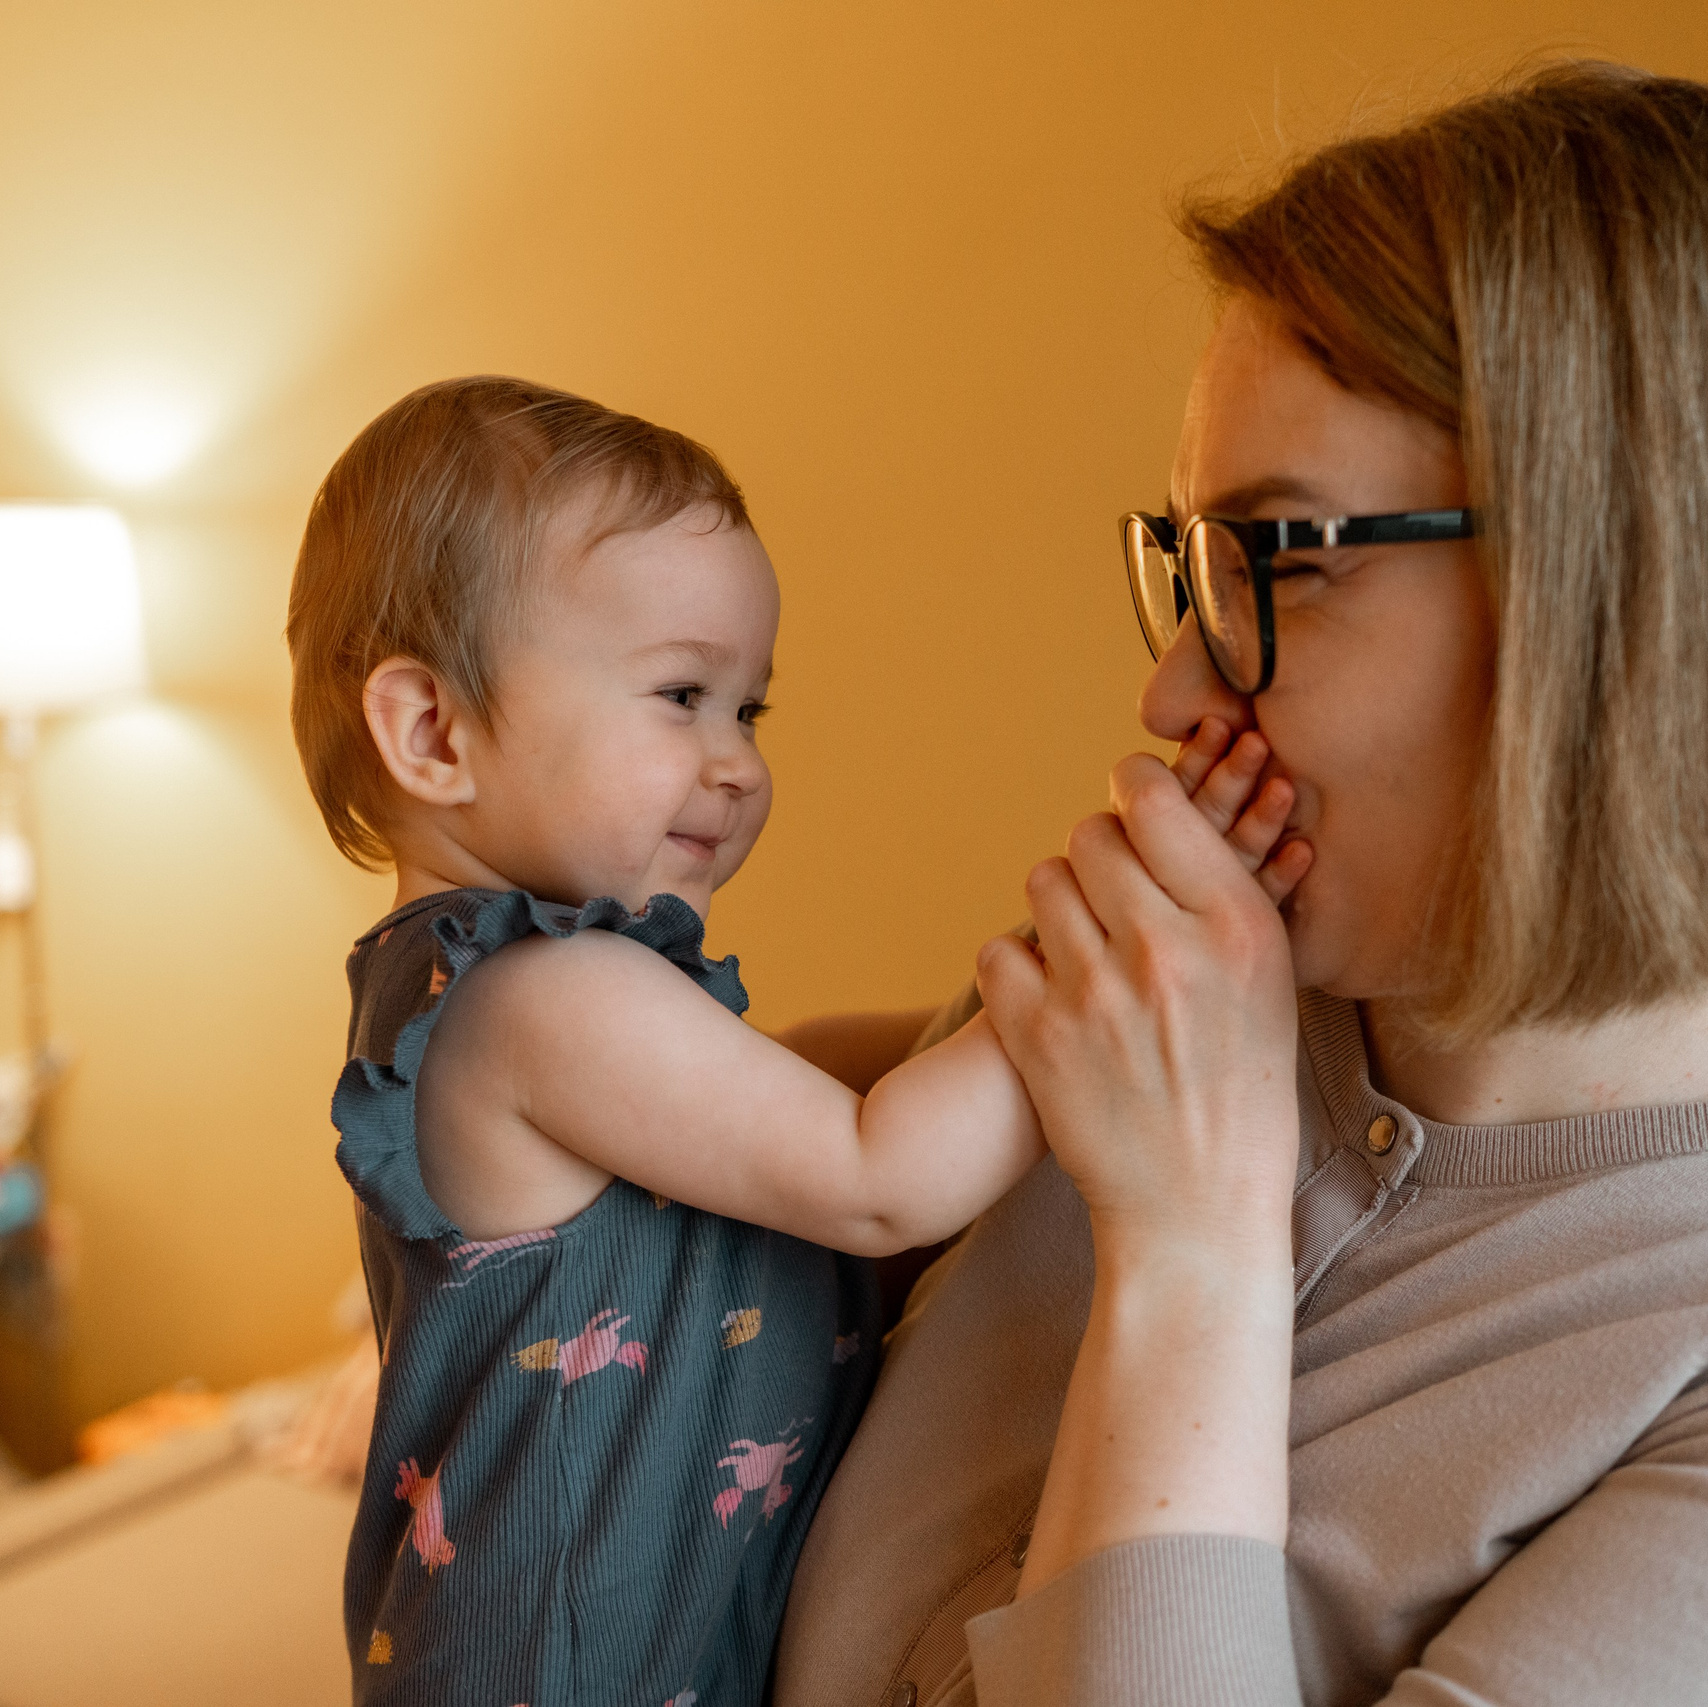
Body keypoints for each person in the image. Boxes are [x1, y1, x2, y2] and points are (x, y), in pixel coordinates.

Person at [775, 63, 1708, 1707]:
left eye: (1279, 559)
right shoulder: (1211, 993)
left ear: (1608, 580)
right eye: (1188, 572)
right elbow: (841, 1141)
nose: (1171, 699)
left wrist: (1193, 1242)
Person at [284, 377, 1304, 1704]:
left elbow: (813, 1105)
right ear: (433, 733)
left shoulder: (527, 986)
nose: (737, 764)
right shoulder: (537, 995)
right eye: (681, 696)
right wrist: (1125, 939)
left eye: (749, 710)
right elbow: (882, 1183)